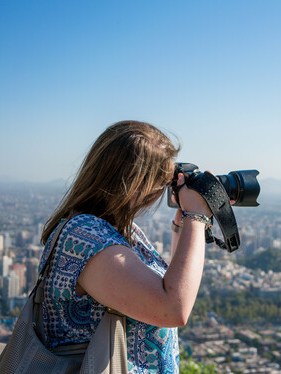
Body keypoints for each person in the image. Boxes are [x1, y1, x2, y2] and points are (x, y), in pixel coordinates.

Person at [38, 120, 213, 373]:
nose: (160, 190)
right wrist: (198, 217)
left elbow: (171, 284)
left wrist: (184, 224)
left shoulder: (117, 230)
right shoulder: (84, 237)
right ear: (135, 182)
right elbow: (173, 308)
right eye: (159, 180)